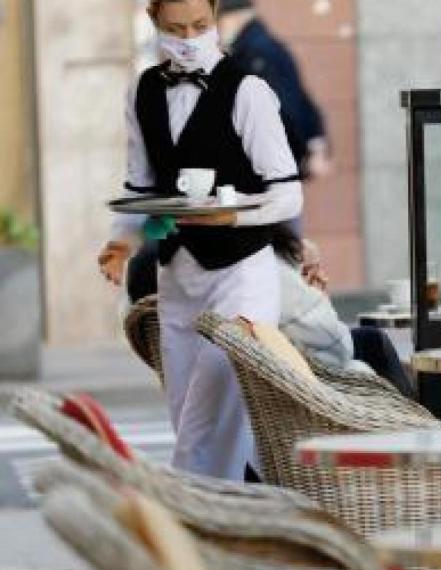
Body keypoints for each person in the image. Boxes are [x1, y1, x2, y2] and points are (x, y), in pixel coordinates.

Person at [98, 0, 302, 480]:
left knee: (205, 421)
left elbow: (287, 194)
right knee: (190, 415)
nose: (188, 38)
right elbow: (141, 186)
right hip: (178, 278)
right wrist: (121, 244)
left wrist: (231, 217)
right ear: (154, 23)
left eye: (200, 26)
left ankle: (189, 518)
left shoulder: (248, 92)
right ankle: (245, 520)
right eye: (175, 28)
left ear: (214, 17)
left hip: (242, 276)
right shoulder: (142, 92)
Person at [217, 0, 330, 183]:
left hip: (268, 169)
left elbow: (282, 108)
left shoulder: (256, 55)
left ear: (234, 18)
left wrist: (303, 154)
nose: (216, 29)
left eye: (218, 21)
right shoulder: (263, 48)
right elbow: (301, 99)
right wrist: (314, 144)